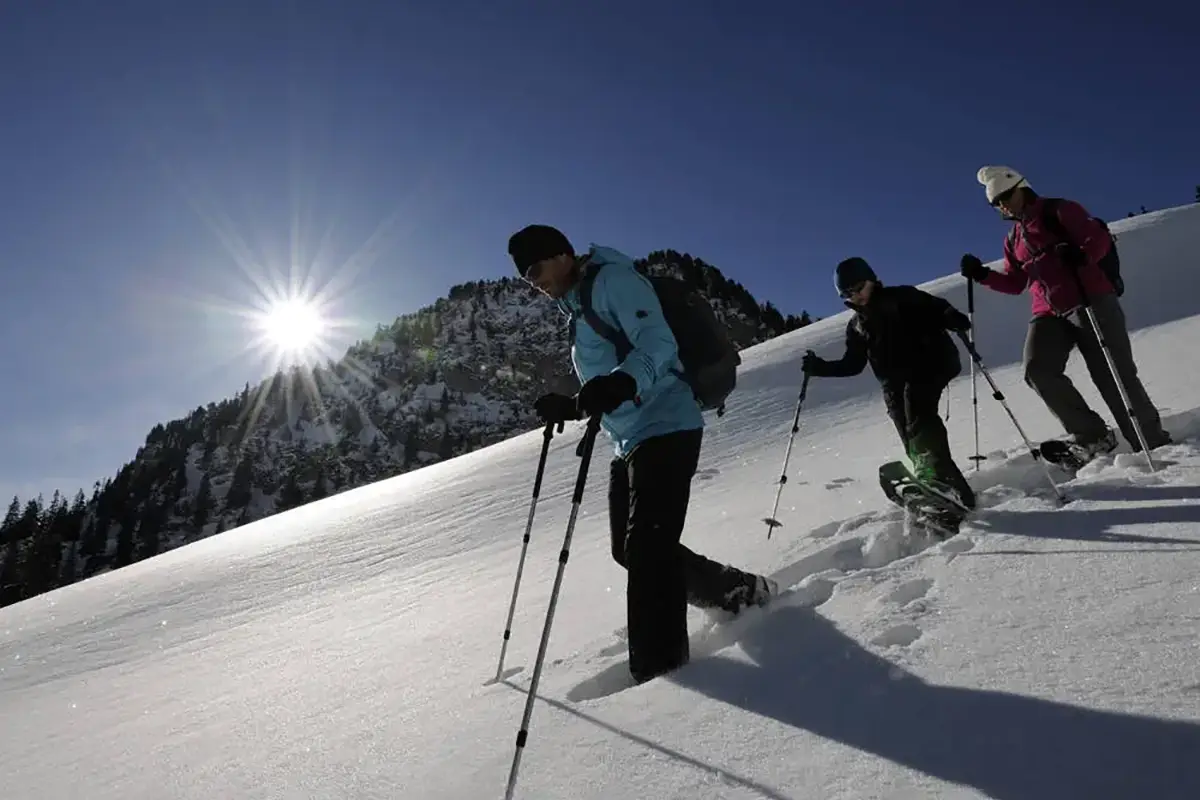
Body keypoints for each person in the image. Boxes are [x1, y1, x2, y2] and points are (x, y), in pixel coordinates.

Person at [507, 223, 775, 685]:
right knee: (630, 550)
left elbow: (657, 344)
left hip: (668, 422)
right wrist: (571, 405)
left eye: (534, 269)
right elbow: (608, 381)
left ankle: (662, 676)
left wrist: (622, 383)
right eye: (525, 277)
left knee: (649, 549)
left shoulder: (613, 281)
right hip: (630, 438)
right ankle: (734, 589)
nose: (533, 282)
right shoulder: (577, 307)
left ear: (561, 254)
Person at [960, 166, 1170, 458]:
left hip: (1090, 298)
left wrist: (1082, 254)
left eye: (1006, 196)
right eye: (996, 202)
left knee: (1112, 373)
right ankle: (1093, 435)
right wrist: (982, 275)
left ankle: (1151, 441)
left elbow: (1097, 236)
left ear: (1022, 187)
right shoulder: (1013, 240)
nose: (1003, 205)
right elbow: (1015, 283)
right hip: (1047, 311)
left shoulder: (1058, 210)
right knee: (1038, 370)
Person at [801, 257, 977, 511]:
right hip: (894, 383)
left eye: (859, 287)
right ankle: (941, 491)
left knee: (916, 408)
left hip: (932, 360)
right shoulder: (857, 326)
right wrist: (820, 368)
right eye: (848, 294)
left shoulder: (902, 297)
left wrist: (952, 317)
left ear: (872, 280)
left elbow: (938, 308)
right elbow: (853, 365)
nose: (857, 296)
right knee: (906, 427)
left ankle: (943, 482)